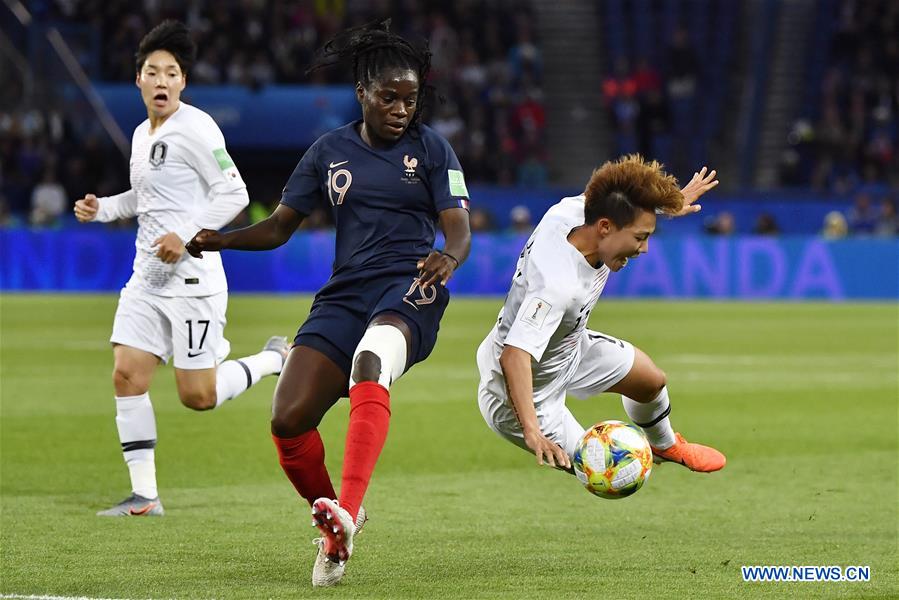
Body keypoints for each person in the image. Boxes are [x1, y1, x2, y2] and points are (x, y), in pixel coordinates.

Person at [186, 20, 471, 587]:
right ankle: (336, 528)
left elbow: (458, 228)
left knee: (372, 361)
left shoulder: (432, 149)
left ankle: (348, 506)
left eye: (410, 99)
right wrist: (223, 238)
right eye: (388, 97)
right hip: (345, 293)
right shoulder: (327, 151)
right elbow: (278, 228)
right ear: (363, 92)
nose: (400, 109)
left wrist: (449, 257)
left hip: (410, 285)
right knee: (287, 419)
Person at [73, 21, 289, 517]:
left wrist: (189, 235)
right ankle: (145, 497)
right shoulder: (139, 134)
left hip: (192, 280)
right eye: (153, 72)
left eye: (171, 72)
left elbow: (234, 193)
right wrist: (102, 209)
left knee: (199, 396)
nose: (162, 80)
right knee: (127, 375)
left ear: (183, 82)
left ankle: (275, 359)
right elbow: (145, 199)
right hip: (146, 278)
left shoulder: (197, 127)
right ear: (139, 80)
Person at [476, 155, 725, 479]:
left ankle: (664, 444)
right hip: (521, 395)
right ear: (605, 228)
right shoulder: (558, 286)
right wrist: (532, 431)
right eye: (640, 237)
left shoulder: (575, 211)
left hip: (567, 347)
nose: (645, 249)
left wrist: (666, 205)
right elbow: (514, 355)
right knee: (612, 470)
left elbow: (619, 192)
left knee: (651, 380)